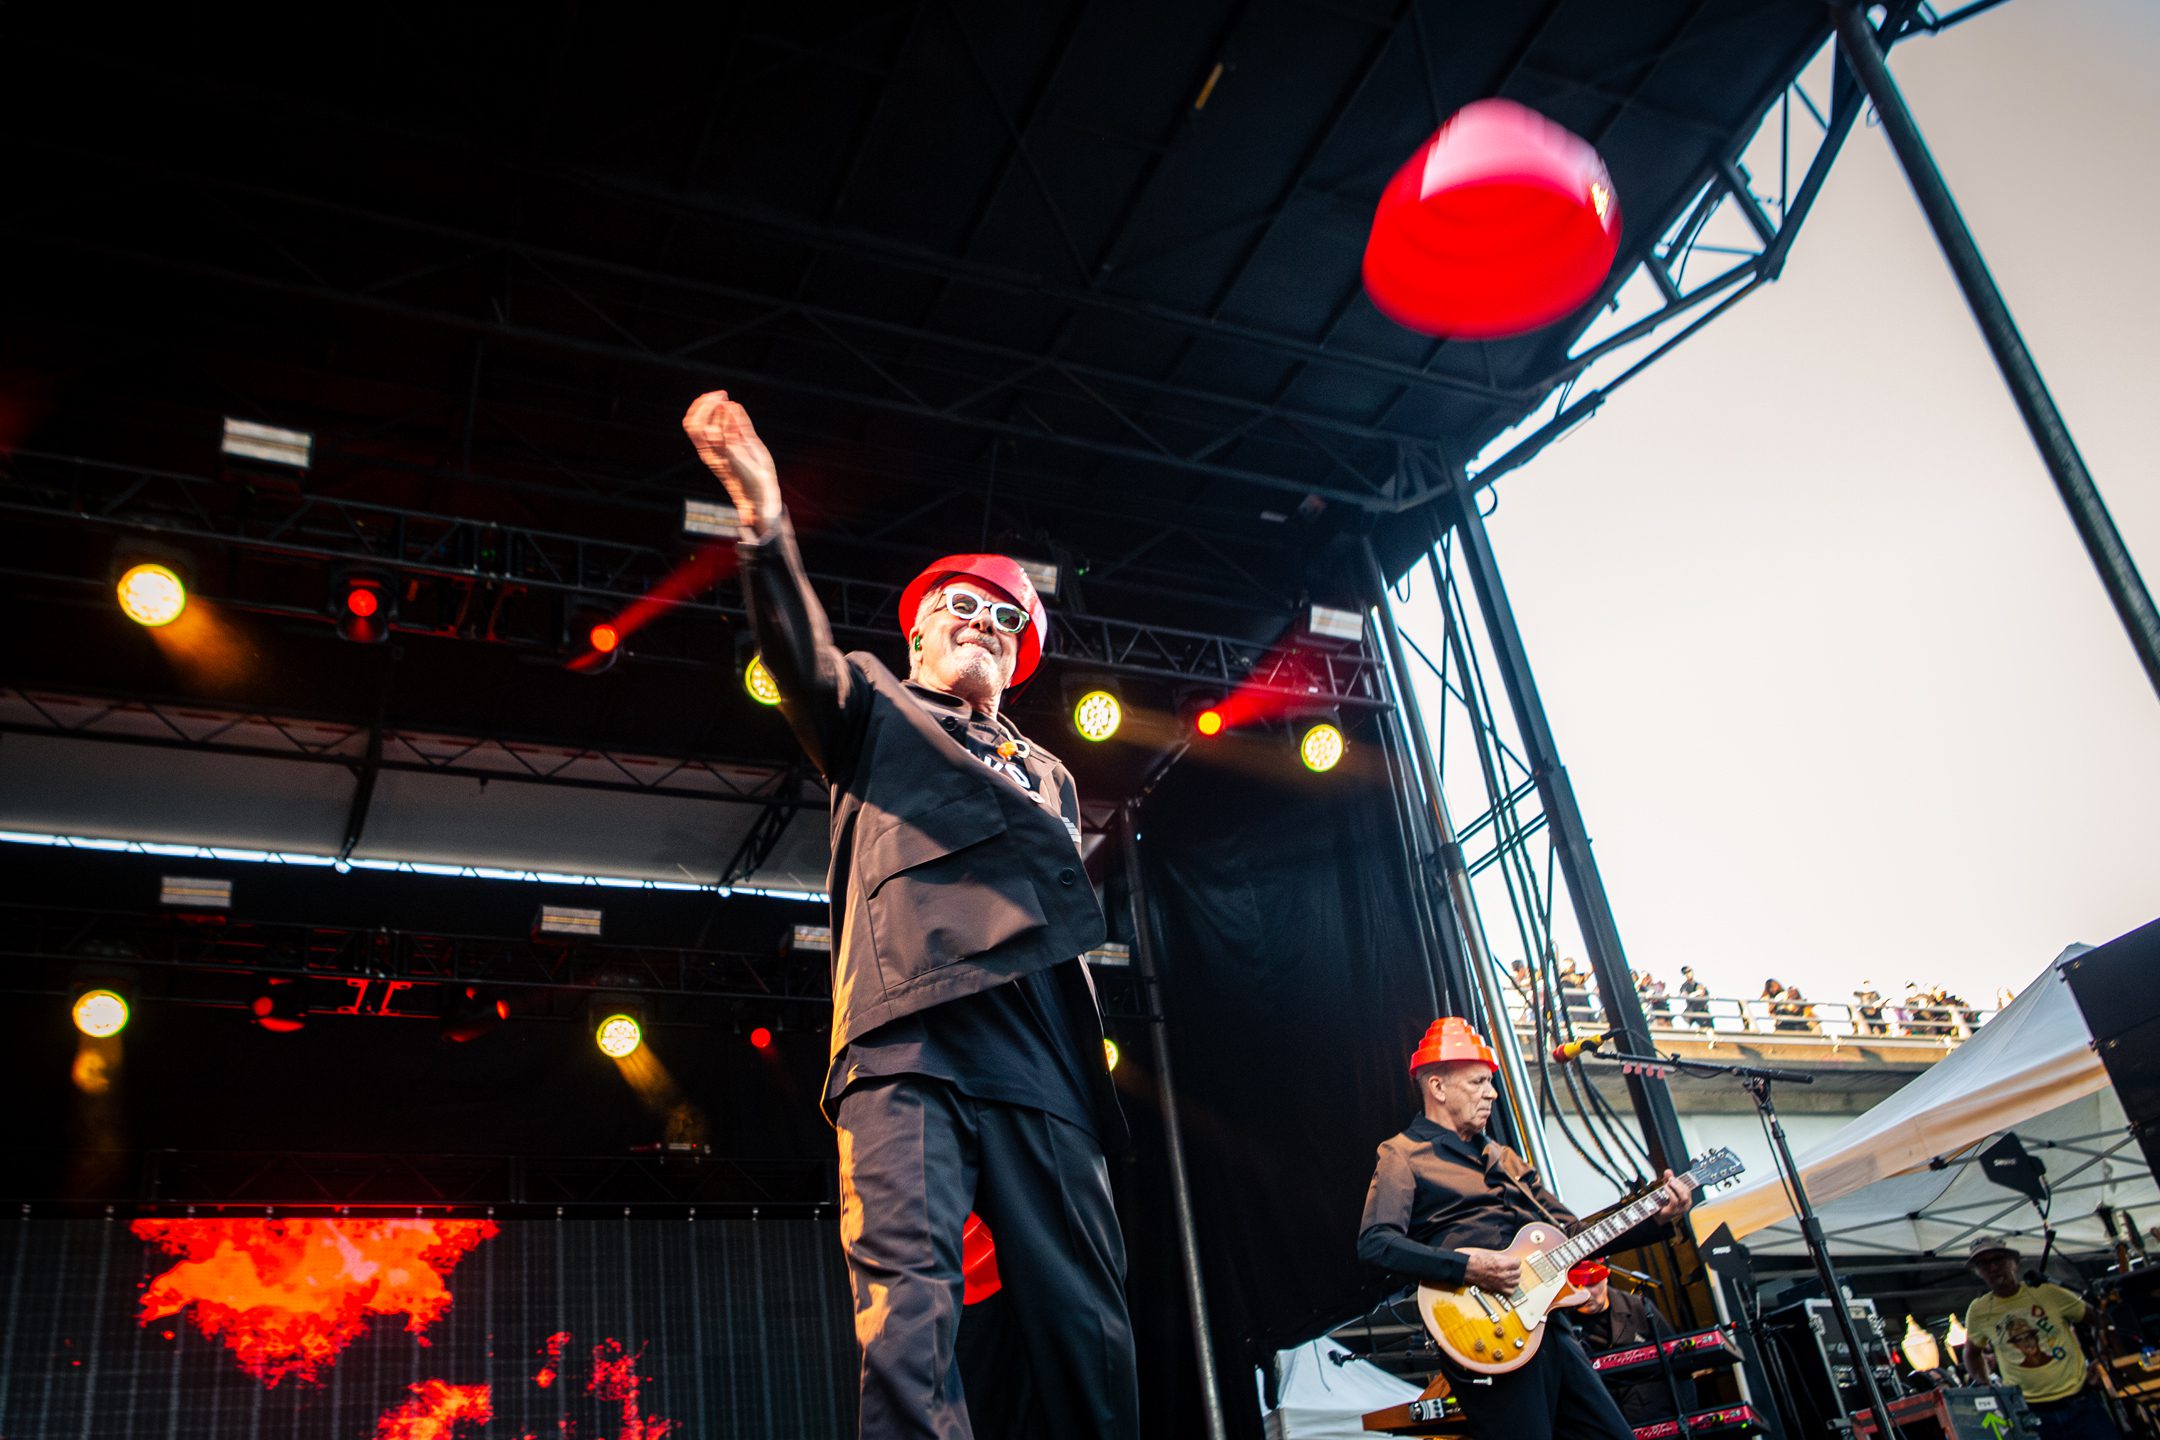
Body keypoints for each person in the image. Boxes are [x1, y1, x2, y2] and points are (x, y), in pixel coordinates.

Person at [682, 390, 1139, 1440]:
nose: (982, 621)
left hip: (1037, 1053)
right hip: (908, 1039)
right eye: (961, 608)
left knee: (1086, 1320)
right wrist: (763, 519)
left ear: (1021, 660)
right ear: (920, 629)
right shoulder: (872, 709)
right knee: (909, 1311)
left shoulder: (1050, 775)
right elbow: (798, 655)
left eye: (1006, 617)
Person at [1356, 1017, 1696, 1440]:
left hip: (1549, 1325)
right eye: (1479, 1082)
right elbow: (1376, 1243)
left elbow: (1574, 1236)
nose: (1492, 1093)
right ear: (1438, 1087)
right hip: (1482, 1330)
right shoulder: (1403, 1154)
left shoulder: (1506, 1160)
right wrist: (1466, 1268)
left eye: (1491, 1082)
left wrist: (1657, 1217)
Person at [1959, 1236, 2117, 1439]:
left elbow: (2100, 1319)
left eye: (1998, 1259)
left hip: (2080, 1402)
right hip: (2030, 1412)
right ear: (1978, 1272)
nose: (1992, 1268)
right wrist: (1985, 1385)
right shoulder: (1979, 1310)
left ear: (2013, 1263)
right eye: (1983, 1264)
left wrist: (2102, 1358)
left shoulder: (2047, 1292)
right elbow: (1972, 1353)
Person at [1573, 1276, 1695, 1426]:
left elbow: (1680, 1366)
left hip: (1656, 1416)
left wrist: (1686, 1421)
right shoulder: (1561, 1322)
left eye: (1590, 1284)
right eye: (1574, 1285)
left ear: (1605, 1277)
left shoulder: (1639, 1307)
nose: (1584, 1293)